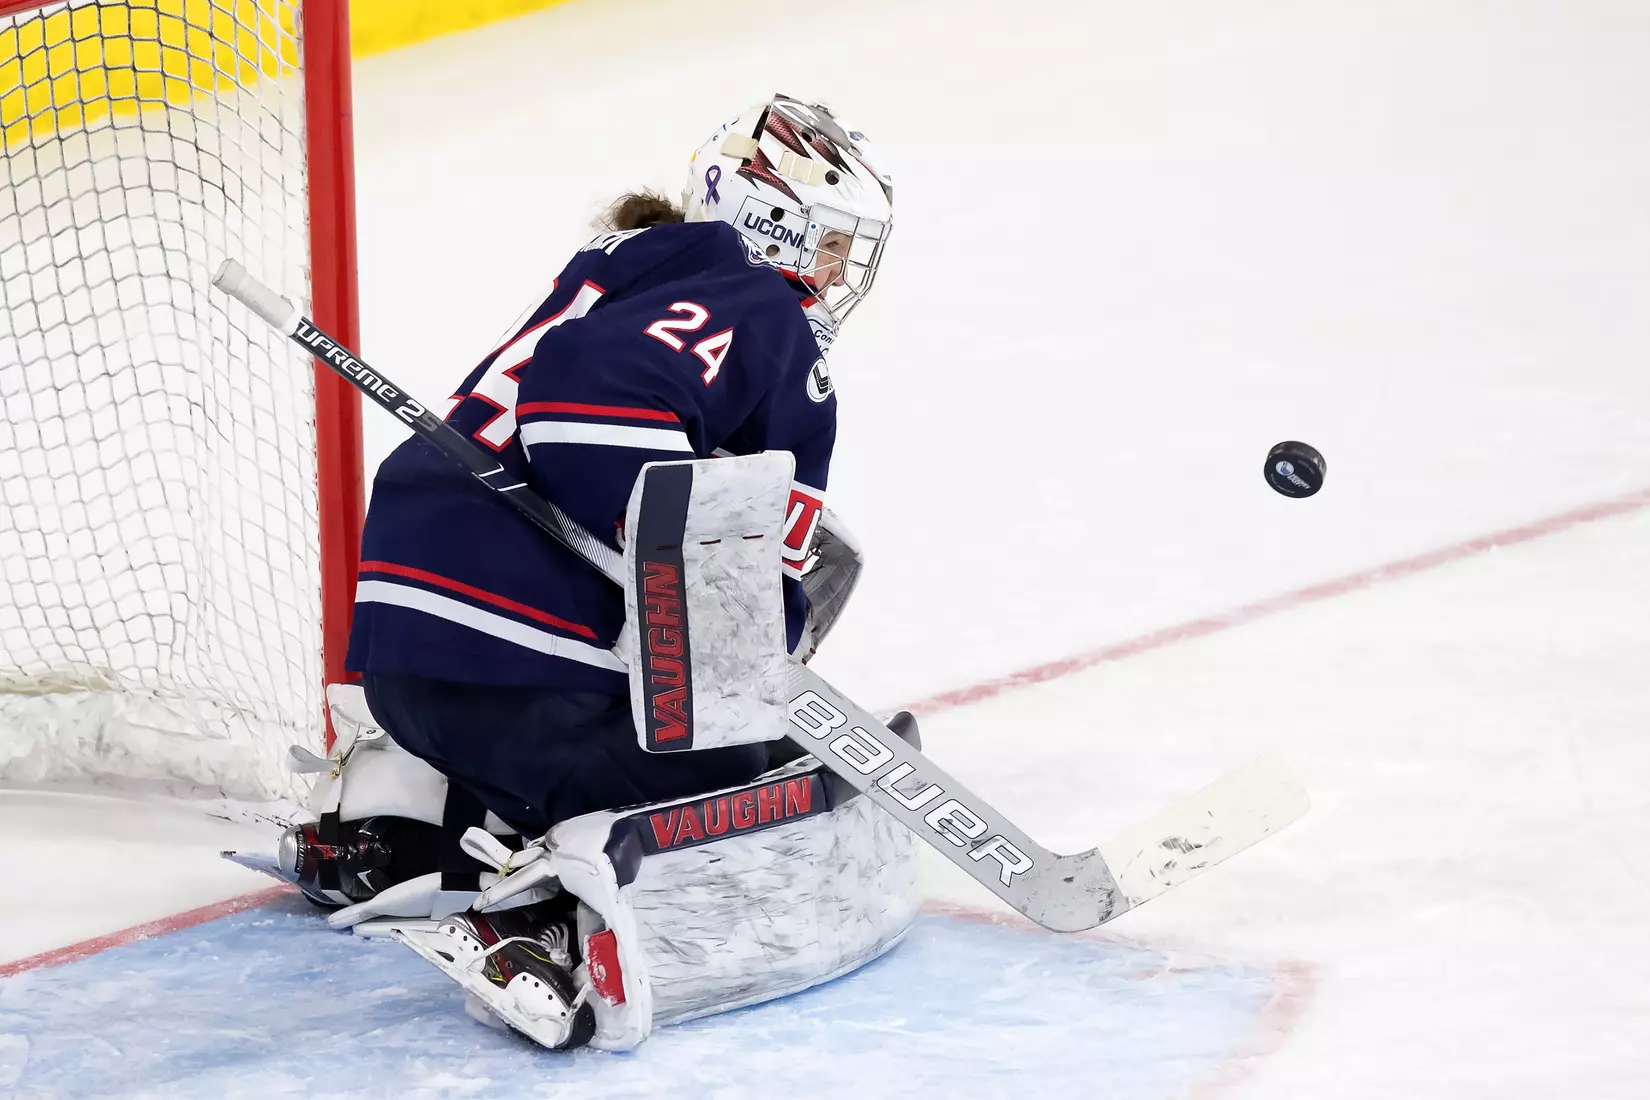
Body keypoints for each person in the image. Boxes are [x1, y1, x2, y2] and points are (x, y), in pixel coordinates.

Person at [317, 95, 902, 1049]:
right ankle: (545, 919)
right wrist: (725, 607)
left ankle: (394, 816)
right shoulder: (754, 301)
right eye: (830, 240)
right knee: (750, 769)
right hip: (520, 663)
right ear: (765, 215)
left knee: (648, 726)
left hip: (411, 659)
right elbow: (585, 410)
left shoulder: (624, 276)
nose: (838, 271)